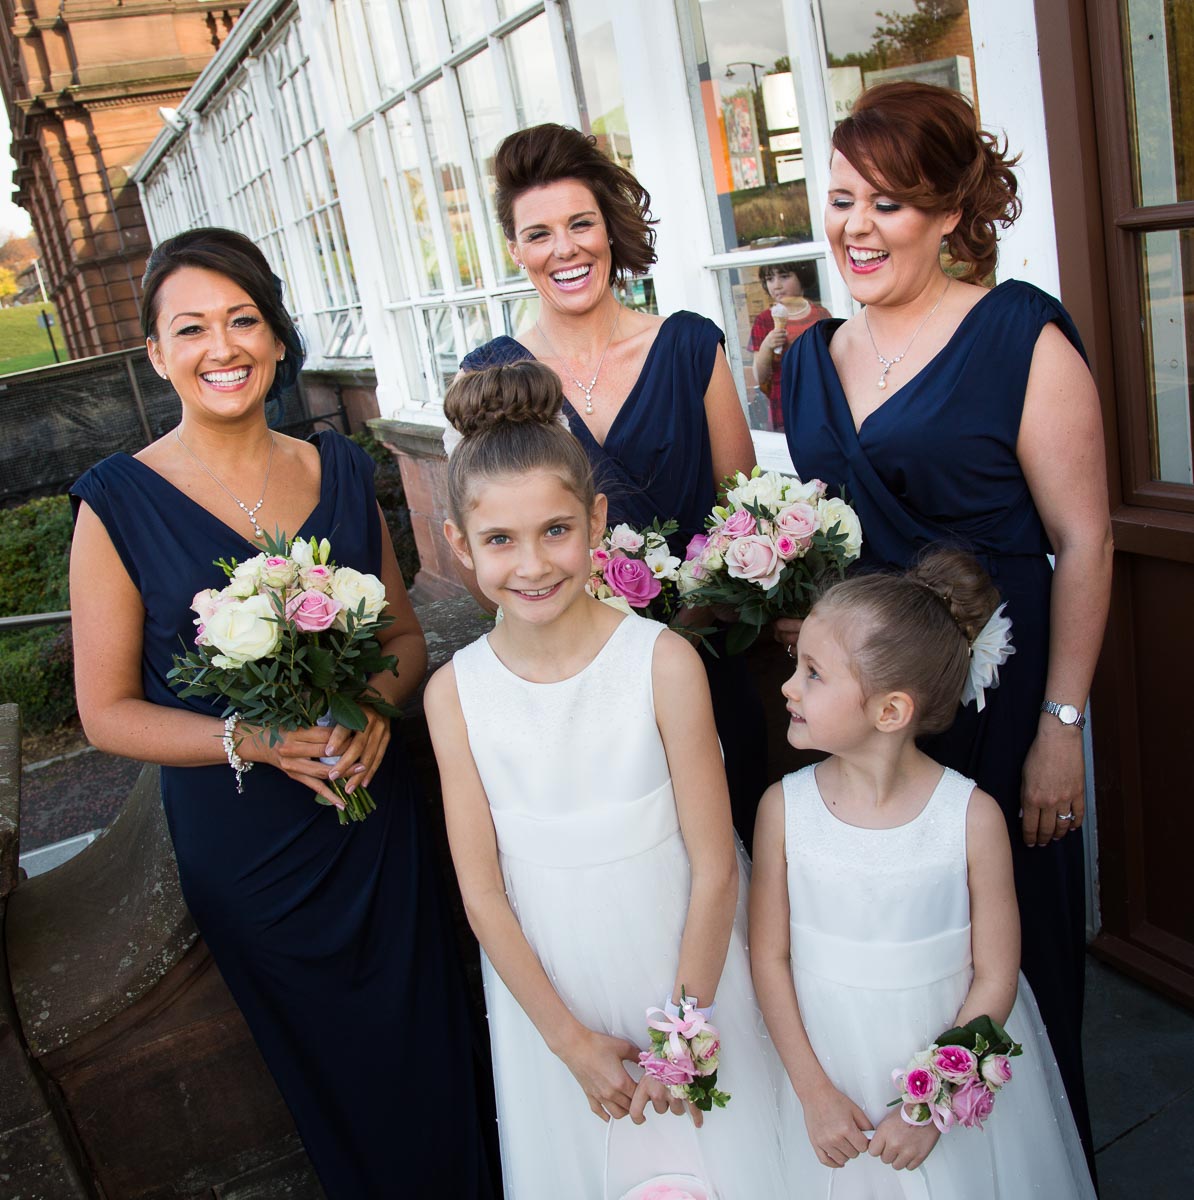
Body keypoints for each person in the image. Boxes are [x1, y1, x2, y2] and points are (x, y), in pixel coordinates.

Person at [69, 227, 492, 1199]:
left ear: (275, 336)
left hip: (376, 818)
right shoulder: (116, 504)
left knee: (435, 1043)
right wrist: (248, 737)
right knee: (340, 1078)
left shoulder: (337, 468)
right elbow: (105, 713)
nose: (222, 348)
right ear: (156, 354)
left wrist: (375, 708)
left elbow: (402, 639)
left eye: (243, 321)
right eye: (191, 329)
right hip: (250, 850)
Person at [778, 81, 1112, 1161]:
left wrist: (1061, 724)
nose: (857, 228)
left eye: (889, 203)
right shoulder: (807, 360)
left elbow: (1085, 540)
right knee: (884, 944)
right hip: (870, 712)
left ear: (951, 211)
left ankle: (1030, 1164)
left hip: (1000, 699)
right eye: (842, 201)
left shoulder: (1019, 337)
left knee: (1017, 945)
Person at [423, 360, 788, 1200]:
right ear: (460, 544)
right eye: (500, 540)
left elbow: (716, 865)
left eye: (555, 530)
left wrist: (685, 1031)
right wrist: (568, 1042)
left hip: (685, 969)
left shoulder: (662, 662)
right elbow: (482, 894)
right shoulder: (455, 695)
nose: (532, 564)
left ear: (595, 519)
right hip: (553, 996)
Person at [752, 551, 1096, 1198]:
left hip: (938, 1076)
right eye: (798, 666)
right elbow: (768, 957)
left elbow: (996, 976)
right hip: (824, 1071)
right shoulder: (783, 810)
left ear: (890, 712)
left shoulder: (970, 818)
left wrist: (930, 1104)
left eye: (813, 673)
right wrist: (813, 1093)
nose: (789, 687)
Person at [460, 122, 767, 847]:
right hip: (575, 685)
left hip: (706, 661)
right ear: (515, 250)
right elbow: (487, 560)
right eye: (538, 234)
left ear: (608, 228)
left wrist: (687, 629)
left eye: (580, 224)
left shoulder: (690, 347)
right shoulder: (488, 378)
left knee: (728, 850)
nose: (564, 249)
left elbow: (744, 523)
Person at [748, 261, 831, 431]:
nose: (776, 285)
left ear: (802, 276)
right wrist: (767, 346)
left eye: (784, 277)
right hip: (783, 402)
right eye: (770, 279)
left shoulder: (821, 314)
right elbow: (760, 376)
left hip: (820, 398)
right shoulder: (764, 320)